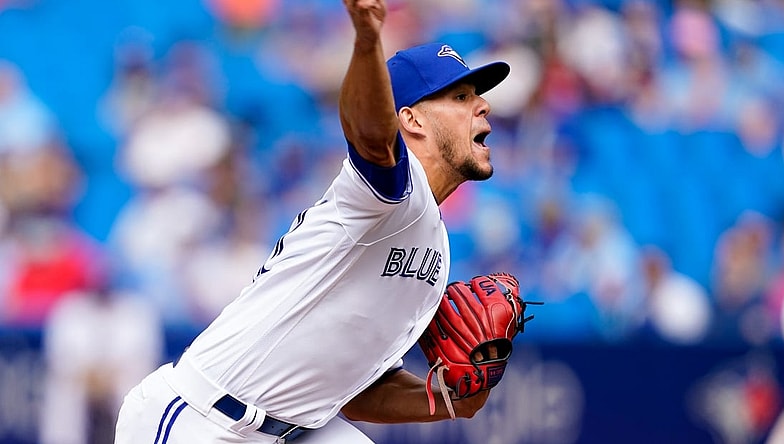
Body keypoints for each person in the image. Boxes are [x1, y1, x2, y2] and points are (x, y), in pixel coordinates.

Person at [114, 0, 511, 442]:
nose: (483, 106)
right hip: (200, 418)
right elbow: (369, 134)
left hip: (298, 427)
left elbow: (353, 391)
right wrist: (365, 41)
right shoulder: (386, 190)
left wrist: (445, 401)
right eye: (461, 96)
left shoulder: (435, 243)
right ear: (410, 119)